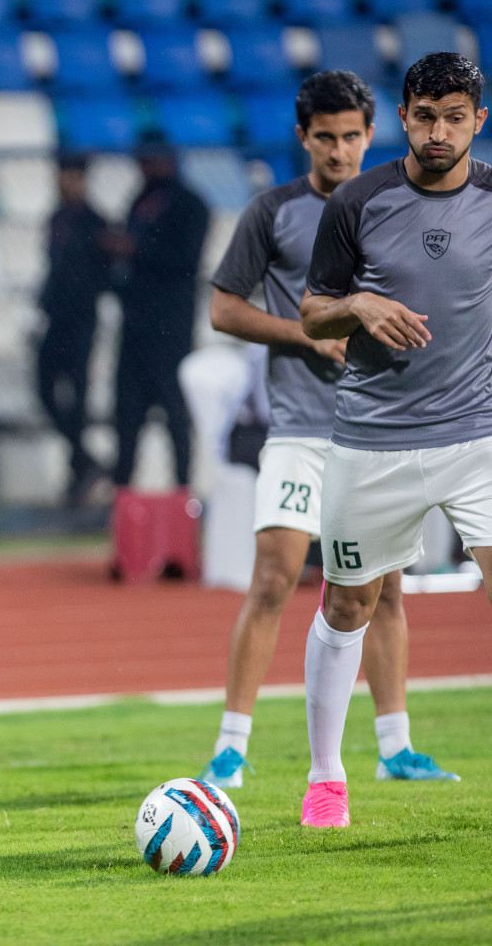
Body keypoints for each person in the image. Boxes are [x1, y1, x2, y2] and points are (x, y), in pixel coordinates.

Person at [202, 71, 454, 790]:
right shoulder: (273, 212)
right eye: (325, 137)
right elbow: (223, 310)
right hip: (301, 429)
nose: (340, 151)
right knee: (276, 577)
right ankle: (231, 745)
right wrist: (304, 335)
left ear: (372, 134)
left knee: (385, 591)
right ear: (303, 137)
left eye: (351, 136)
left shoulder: (401, 209)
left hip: (378, 432)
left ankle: (396, 746)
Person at [299, 51, 490, 827]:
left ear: (478, 120)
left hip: (478, 436)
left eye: (454, 117)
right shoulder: (358, 202)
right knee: (350, 604)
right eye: (424, 115)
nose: (437, 131)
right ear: (404, 118)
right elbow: (313, 312)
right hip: (372, 439)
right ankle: (325, 778)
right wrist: (363, 306)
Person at [113, 138, 209, 489]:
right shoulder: (140, 200)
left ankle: (183, 490)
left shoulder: (190, 205)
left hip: (170, 326)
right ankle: (122, 495)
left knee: (175, 412)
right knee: (127, 413)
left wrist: (137, 251)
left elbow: (185, 261)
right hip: (135, 325)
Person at [36, 153, 112, 506]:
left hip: (81, 319)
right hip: (56, 317)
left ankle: (79, 469)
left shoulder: (94, 222)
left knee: (77, 396)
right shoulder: (57, 219)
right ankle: (83, 460)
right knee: (45, 389)